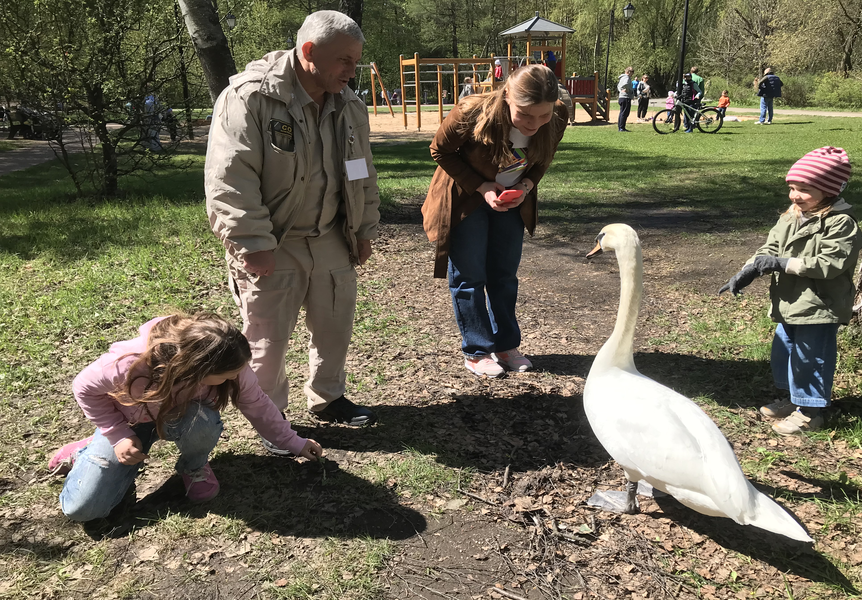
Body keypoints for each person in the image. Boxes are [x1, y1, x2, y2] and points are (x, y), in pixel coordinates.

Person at [205, 10, 381, 455]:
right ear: (308, 53)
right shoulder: (249, 99)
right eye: (343, 60)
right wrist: (252, 244)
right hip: (273, 241)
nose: (351, 71)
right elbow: (231, 179)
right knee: (266, 337)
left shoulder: (349, 106)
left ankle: (329, 397)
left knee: (334, 325)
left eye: (355, 61)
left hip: (331, 238)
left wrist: (363, 228)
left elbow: (362, 173)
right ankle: (271, 417)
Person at [47, 314, 323, 536]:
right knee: (83, 509)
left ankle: (194, 466)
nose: (238, 376)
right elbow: (83, 388)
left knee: (202, 420)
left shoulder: (231, 361)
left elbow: (258, 405)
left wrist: (294, 442)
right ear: (198, 370)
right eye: (228, 374)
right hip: (128, 422)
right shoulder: (129, 365)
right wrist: (118, 436)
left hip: (181, 416)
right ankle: (83, 453)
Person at [421, 64, 568, 378]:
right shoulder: (470, 112)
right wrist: (484, 187)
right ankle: (476, 351)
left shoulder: (557, 115)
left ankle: (505, 345)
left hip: (513, 202)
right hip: (467, 199)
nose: (535, 124)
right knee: (469, 275)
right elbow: (439, 150)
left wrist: (525, 187)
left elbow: (545, 156)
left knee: (503, 276)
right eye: (525, 115)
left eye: (542, 116)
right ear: (507, 99)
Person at [718, 147, 862, 436]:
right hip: (790, 301)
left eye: (805, 189)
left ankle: (810, 411)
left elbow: (829, 264)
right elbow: (769, 249)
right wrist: (749, 269)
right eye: (793, 188)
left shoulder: (841, 223)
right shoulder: (791, 216)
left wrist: (781, 264)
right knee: (784, 353)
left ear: (830, 190)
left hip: (820, 304)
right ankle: (791, 398)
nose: (795, 195)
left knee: (811, 357)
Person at [616, 66, 634, 132]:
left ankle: (620, 127)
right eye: (632, 72)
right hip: (625, 97)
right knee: (625, 113)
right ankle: (621, 128)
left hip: (621, 97)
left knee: (622, 112)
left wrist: (620, 90)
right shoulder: (626, 77)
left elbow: (618, 86)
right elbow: (625, 84)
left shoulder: (621, 78)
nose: (632, 73)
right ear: (628, 72)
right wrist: (627, 89)